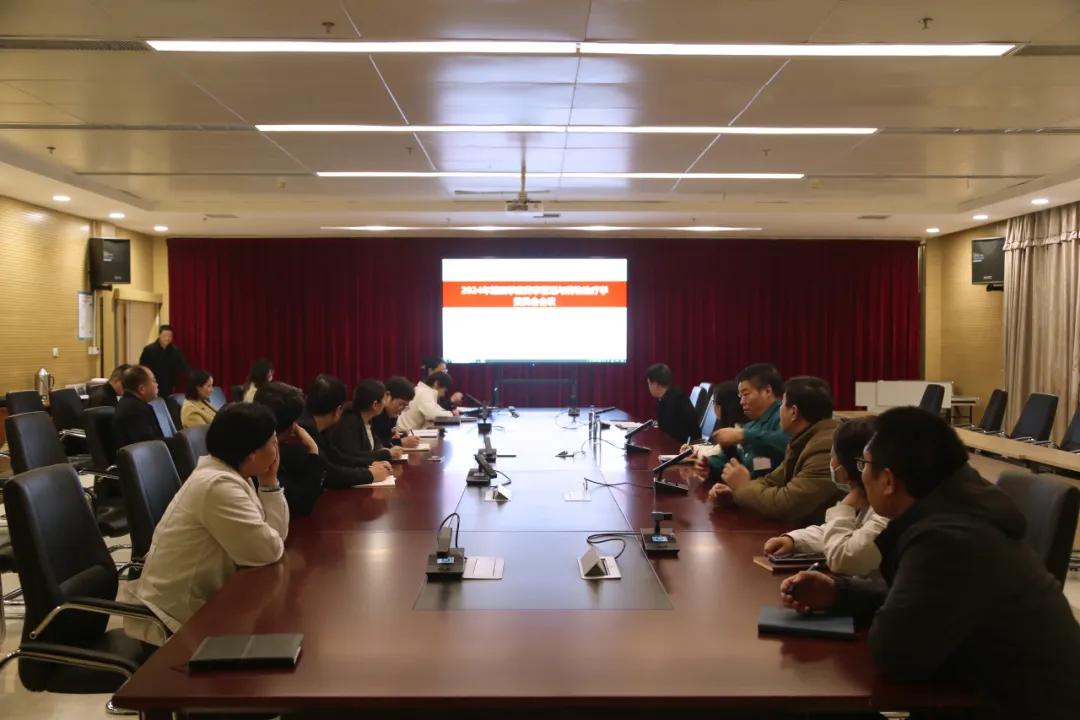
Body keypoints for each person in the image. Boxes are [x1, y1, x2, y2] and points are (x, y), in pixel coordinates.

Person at [780, 407, 1080, 718]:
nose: (861, 475)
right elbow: (926, 600)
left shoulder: (949, 539)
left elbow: (895, 652)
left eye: (863, 465)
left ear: (888, 481)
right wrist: (839, 593)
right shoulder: (956, 511)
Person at [125, 402, 288, 644]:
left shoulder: (233, 473)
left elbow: (275, 539)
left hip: (206, 606)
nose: (277, 450)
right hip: (172, 625)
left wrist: (269, 482)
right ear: (252, 453)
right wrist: (269, 484)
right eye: (273, 442)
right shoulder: (217, 486)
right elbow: (268, 550)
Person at [708, 376, 841, 525]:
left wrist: (743, 487)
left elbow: (787, 504)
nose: (779, 409)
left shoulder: (825, 447)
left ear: (793, 412)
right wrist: (734, 494)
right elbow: (771, 481)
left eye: (782, 403)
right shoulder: (803, 439)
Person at [763, 417, 887, 576]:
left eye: (833, 455)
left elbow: (842, 558)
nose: (831, 462)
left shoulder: (886, 510)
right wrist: (794, 540)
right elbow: (835, 534)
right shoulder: (864, 499)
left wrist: (845, 507)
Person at [298, 374, 393, 488]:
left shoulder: (319, 427)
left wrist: (369, 463)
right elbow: (328, 473)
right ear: (338, 410)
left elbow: (337, 457)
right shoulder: (303, 430)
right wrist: (370, 474)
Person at [697, 364, 787, 480]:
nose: (741, 402)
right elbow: (734, 460)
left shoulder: (784, 416)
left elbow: (787, 443)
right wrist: (709, 464)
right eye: (740, 396)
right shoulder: (752, 425)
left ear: (767, 391)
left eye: (746, 394)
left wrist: (743, 435)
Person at [255, 382, 325, 516]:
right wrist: (312, 448)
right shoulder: (265, 455)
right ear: (292, 426)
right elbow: (303, 504)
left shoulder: (274, 444)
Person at [330, 379, 407, 463]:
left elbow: (375, 443)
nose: (385, 403)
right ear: (375, 405)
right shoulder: (350, 421)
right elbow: (352, 456)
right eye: (384, 400)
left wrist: (384, 450)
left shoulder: (367, 419)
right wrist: (386, 454)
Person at [645, 363, 700, 442]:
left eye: (649, 383)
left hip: (681, 445)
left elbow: (689, 429)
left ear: (656, 384)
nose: (648, 387)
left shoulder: (677, 399)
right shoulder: (663, 398)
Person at [113, 365, 164, 449]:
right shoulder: (136, 410)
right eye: (154, 381)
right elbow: (150, 444)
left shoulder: (128, 403)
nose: (157, 385)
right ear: (142, 389)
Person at [371, 376, 421, 449]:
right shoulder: (375, 414)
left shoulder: (391, 415)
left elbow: (386, 439)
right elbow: (373, 444)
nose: (401, 410)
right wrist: (400, 442)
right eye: (400, 404)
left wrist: (396, 438)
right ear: (387, 395)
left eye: (405, 406)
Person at [138, 324, 189, 396]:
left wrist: (191, 376)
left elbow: (183, 365)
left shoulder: (175, 350)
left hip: (169, 383)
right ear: (159, 335)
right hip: (153, 383)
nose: (167, 338)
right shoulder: (149, 349)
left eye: (170, 336)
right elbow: (143, 367)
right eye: (165, 336)